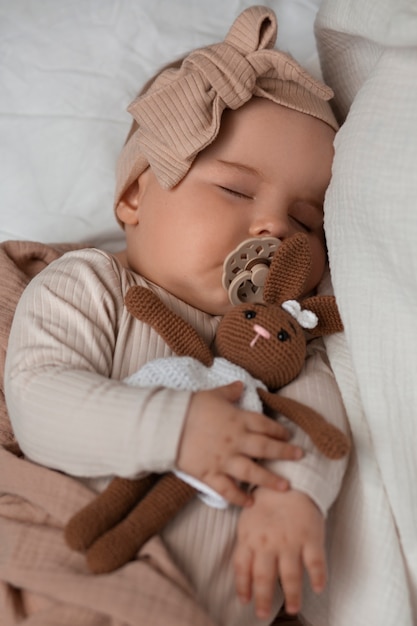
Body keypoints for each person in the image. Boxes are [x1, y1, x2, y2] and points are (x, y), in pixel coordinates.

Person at [4, 6, 348, 626]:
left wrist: (295, 498)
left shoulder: (285, 341)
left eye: (304, 221)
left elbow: (323, 424)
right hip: (74, 587)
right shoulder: (91, 286)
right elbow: (39, 402)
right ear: (135, 194)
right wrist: (173, 428)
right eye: (235, 191)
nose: (272, 228)